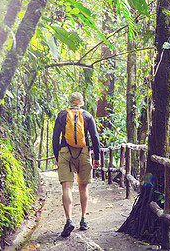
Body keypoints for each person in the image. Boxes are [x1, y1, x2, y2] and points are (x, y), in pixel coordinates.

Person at [52, 92, 101, 237]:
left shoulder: (61, 115)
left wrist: (57, 156)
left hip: (65, 152)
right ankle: (84, 220)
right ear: (81, 102)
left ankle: (69, 220)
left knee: (66, 187)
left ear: (70, 102)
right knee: (83, 186)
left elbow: (55, 138)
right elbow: (94, 137)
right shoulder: (87, 116)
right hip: (83, 152)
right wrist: (96, 157)